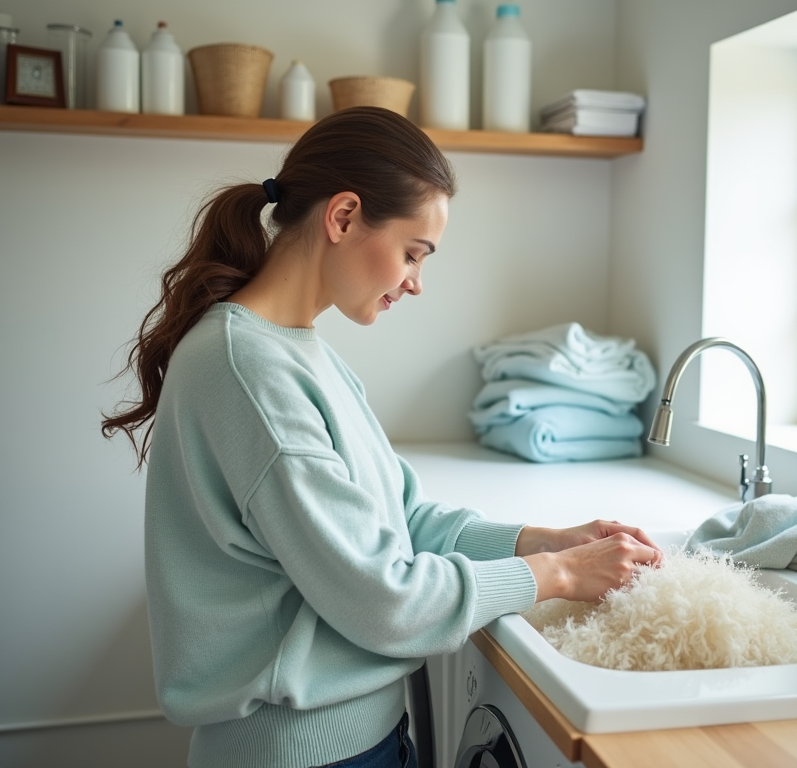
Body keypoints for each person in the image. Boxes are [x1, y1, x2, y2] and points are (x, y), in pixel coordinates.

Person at [101, 106, 662, 768]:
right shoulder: (247, 370)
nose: (416, 283)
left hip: (349, 742)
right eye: (412, 253)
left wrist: (544, 541)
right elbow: (385, 602)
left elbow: (404, 517)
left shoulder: (300, 354)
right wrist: (558, 573)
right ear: (342, 217)